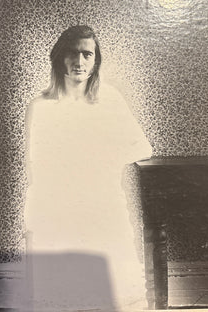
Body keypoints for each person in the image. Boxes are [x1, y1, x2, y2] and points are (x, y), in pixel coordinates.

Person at [24, 25, 152, 311]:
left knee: (115, 291)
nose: (79, 61)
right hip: (58, 206)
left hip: (102, 203)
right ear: (59, 57)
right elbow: (33, 165)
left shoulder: (110, 99)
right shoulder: (40, 106)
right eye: (72, 53)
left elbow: (143, 148)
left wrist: (101, 157)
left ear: (96, 60)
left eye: (87, 54)